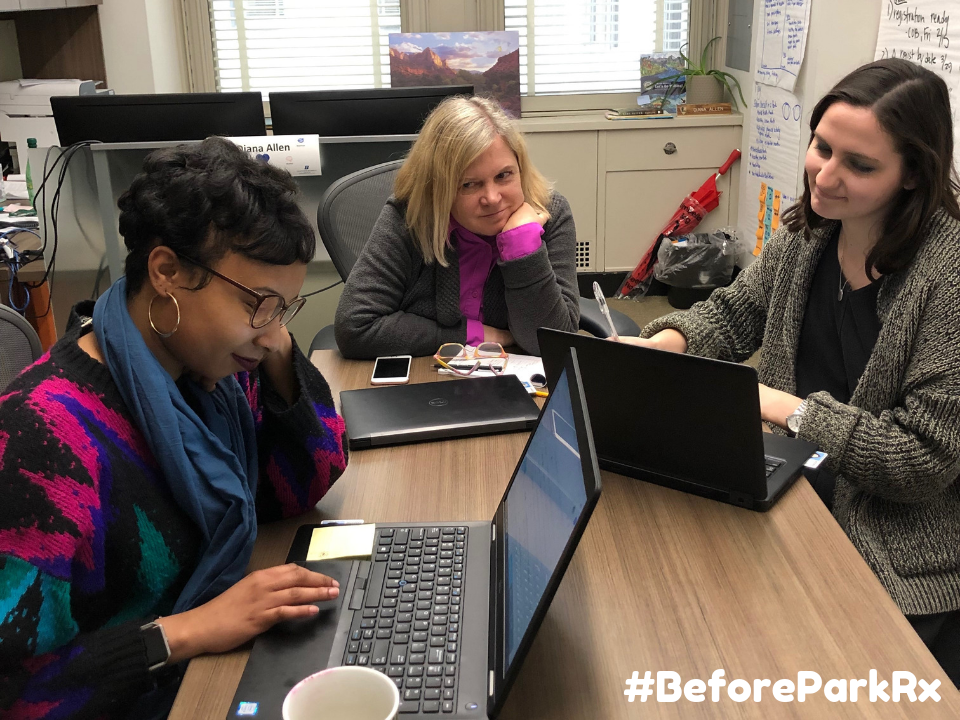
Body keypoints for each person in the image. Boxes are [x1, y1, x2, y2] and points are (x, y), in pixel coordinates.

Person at [623, 58, 960, 685]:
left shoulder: (947, 279)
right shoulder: (812, 233)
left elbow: (921, 462)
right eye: (821, 147)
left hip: (892, 543)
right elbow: (734, 314)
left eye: (859, 166)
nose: (825, 177)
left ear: (913, 175)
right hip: (789, 485)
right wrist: (665, 342)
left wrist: (784, 406)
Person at [0, 137, 349, 718]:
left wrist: (272, 340)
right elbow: (15, 687)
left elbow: (302, 484)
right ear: (166, 271)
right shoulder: (43, 435)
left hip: (209, 674)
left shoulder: (208, 373)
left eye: (285, 307)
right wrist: (184, 631)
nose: (271, 331)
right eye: (259, 303)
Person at [334, 95, 580, 358]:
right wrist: (471, 335)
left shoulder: (550, 214)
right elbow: (356, 326)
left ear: (520, 167)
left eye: (503, 175)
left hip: (517, 381)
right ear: (437, 188)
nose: (492, 198)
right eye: (468, 184)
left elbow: (554, 342)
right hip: (426, 380)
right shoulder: (411, 217)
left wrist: (522, 246)